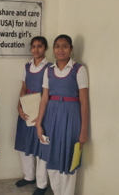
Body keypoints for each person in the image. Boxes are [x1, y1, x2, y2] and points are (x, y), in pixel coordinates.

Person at [35, 35, 89, 195]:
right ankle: (56, 191)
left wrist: (84, 131)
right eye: (57, 46)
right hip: (51, 116)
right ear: (53, 49)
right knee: (50, 155)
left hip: (71, 117)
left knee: (68, 156)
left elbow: (84, 102)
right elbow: (44, 99)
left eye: (65, 46)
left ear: (71, 49)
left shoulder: (79, 70)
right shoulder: (48, 71)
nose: (60, 50)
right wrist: (39, 123)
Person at [14, 37, 52, 194]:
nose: (36, 49)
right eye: (34, 47)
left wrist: (40, 115)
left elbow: (47, 94)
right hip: (27, 108)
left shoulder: (50, 67)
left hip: (42, 110)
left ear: (45, 48)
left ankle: (42, 184)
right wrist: (19, 106)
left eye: (40, 46)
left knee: (40, 147)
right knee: (24, 145)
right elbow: (23, 88)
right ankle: (29, 176)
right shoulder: (27, 66)